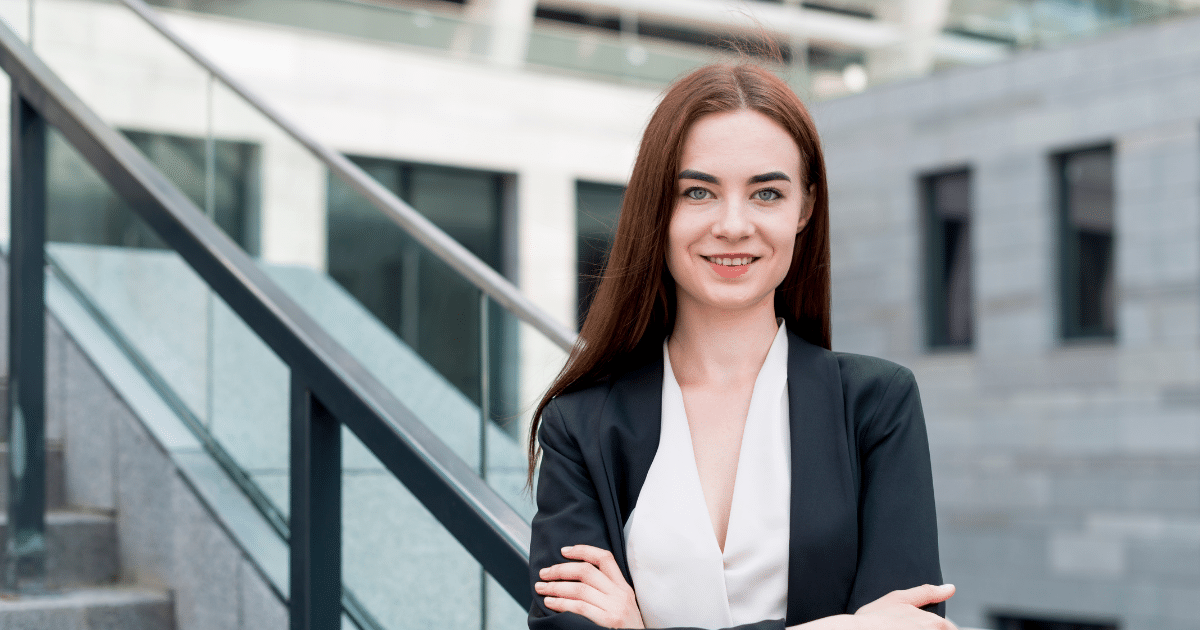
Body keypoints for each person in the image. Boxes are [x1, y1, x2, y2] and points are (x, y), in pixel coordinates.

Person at [525, 63, 953, 630]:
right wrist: (841, 626)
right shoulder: (581, 425)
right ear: (658, 207)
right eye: (698, 192)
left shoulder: (877, 406)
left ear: (804, 208)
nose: (733, 225)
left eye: (766, 193)